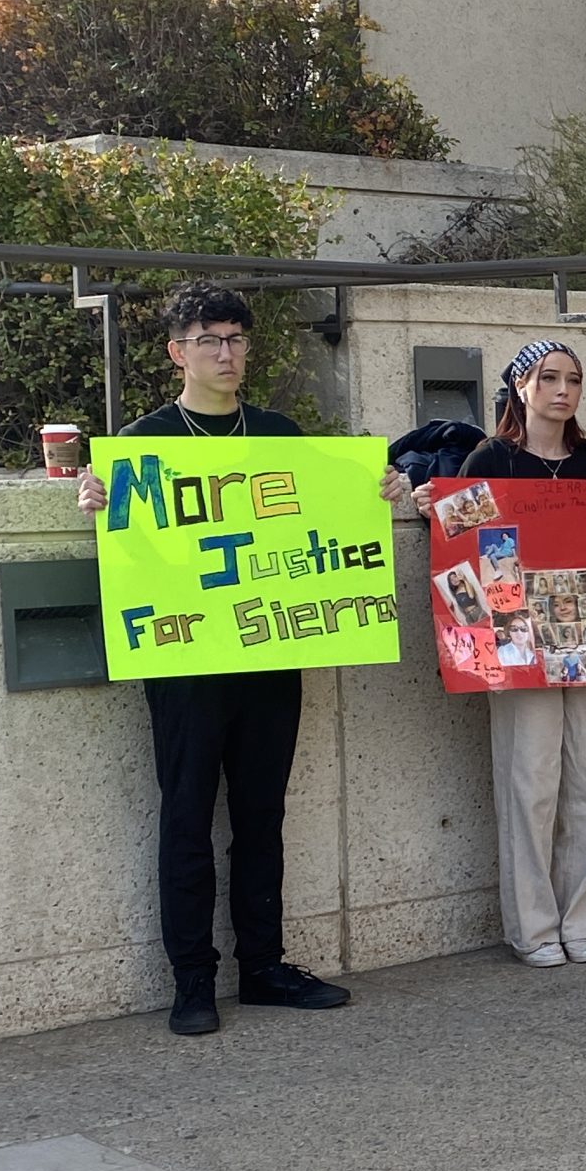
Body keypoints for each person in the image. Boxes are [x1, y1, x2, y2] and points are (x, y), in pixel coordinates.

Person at [72, 281, 406, 1035]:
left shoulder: (282, 435)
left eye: (235, 340)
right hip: (185, 662)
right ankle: (192, 980)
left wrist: (379, 490)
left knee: (262, 814)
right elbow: (130, 547)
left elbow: (337, 512)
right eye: (208, 341)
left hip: (270, 653)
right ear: (176, 352)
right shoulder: (140, 444)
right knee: (187, 815)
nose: (225, 354)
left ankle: (263, 966)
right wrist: (97, 500)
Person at [414, 341, 586, 970]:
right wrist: (434, 507)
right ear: (520, 385)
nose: (563, 390)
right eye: (549, 378)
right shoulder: (491, 457)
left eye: (575, 380)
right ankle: (533, 925)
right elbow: (466, 543)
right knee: (529, 781)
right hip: (517, 640)